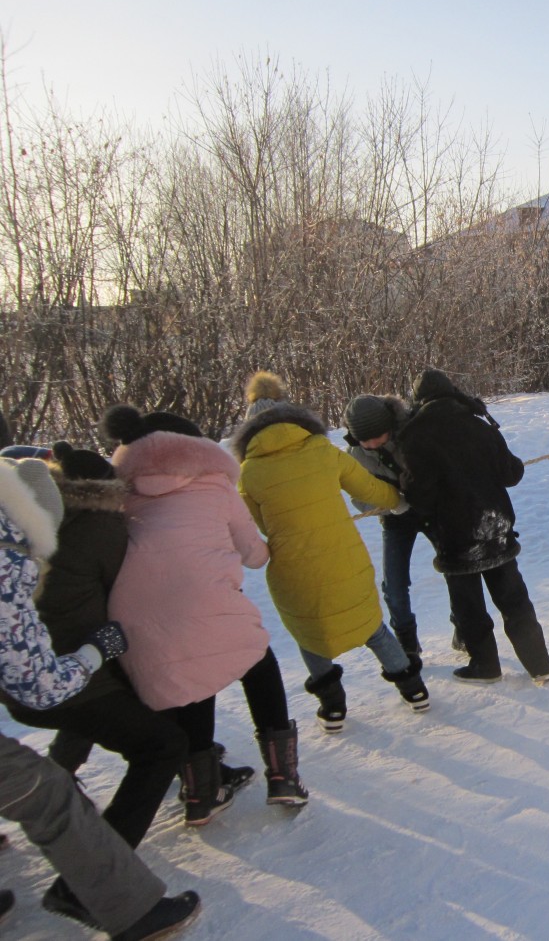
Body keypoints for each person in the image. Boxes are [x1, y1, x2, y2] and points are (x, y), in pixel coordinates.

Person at [0, 456, 200, 940]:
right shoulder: (15, 557)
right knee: (154, 746)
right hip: (56, 687)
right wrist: (96, 652)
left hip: (26, 694)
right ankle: (97, 894)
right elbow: (42, 685)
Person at [103, 405, 307, 824]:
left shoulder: (123, 495)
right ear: (194, 449)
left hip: (137, 619)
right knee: (256, 660)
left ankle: (200, 793)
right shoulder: (214, 484)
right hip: (200, 601)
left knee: (192, 676)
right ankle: (283, 775)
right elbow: (253, 555)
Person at [232, 399, 429, 729]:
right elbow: (367, 487)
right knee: (372, 627)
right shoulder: (322, 450)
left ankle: (333, 707)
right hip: (344, 558)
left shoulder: (248, 473)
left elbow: (261, 526)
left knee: (311, 635)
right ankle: (414, 690)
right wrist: (397, 501)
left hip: (294, 570)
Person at [397, 369, 549, 683]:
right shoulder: (478, 424)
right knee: (515, 601)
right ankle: (541, 664)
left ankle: (485, 666)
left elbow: (419, 496)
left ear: (418, 400)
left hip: (454, 534)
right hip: (496, 525)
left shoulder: (415, 435)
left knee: (469, 606)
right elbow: (511, 474)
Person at [343, 392, 443, 656]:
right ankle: (407, 645)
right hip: (395, 519)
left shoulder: (412, 432)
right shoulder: (354, 455)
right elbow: (359, 497)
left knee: (454, 568)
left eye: (378, 436)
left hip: (431, 510)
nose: (372, 444)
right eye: (365, 440)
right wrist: (392, 504)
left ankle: (462, 628)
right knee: (394, 587)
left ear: (389, 426)